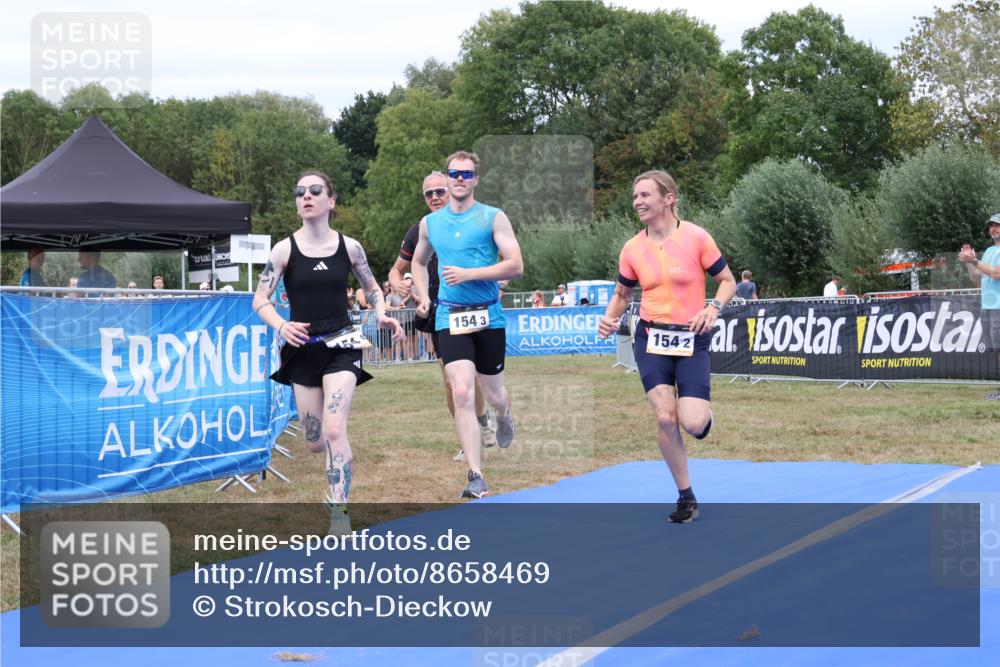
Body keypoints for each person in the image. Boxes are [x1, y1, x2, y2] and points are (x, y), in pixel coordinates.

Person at [253, 170, 404, 533]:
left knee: (335, 428)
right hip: (302, 349)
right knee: (315, 441)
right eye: (300, 191)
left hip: (343, 344)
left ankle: (339, 511)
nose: (306, 195)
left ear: (331, 201)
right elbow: (260, 300)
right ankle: (332, 485)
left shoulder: (350, 247)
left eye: (315, 190)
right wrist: (282, 326)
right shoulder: (283, 250)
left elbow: (374, 288)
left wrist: (382, 312)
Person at [598, 170, 736, 524]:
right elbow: (622, 294)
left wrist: (712, 308)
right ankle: (686, 496)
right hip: (651, 339)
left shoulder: (696, 237)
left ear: (669, 198)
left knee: (692, 423)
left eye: (645, 195)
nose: (637, 202)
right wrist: (608, 319)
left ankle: (704, 418)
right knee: (664, 416)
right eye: (635, 196)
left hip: (692, 338)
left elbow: (727, 281)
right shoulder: (632, 248)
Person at [412, 151, 523, 498]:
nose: (459, 179)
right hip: (449, 316)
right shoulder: (430, 224)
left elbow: (516, 265)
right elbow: (418, 262)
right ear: (447, 178)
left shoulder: (493, 217)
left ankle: (503, 414)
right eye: (454, 173)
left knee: (494, 394)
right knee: (461, 390)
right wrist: (423, 296)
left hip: (488, 315)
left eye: (466, 174)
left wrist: (470, 274)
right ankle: (476, 475)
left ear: (476, 179)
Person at [388, 170, 499, 458]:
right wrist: (398, 283)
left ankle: (483, 419)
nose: (435, 197)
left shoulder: (477, 220)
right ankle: (468, 437)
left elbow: (503, 258)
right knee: (452, 382)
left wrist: (499, 283)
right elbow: (396, 270)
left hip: (475, 305)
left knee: (478, 376)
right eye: (429, 193)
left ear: (451, 189)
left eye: (440, 191)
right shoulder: (421, 229)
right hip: (439, 309)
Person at [958, 212, 1000, 400]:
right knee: (997, 350)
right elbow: (976, 276)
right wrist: (968, 262)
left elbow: (996, 274)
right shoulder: (989, 251)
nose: (993, 228)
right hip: (988, 307)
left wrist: (975, 260)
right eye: (991, 225)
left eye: (997, 225)